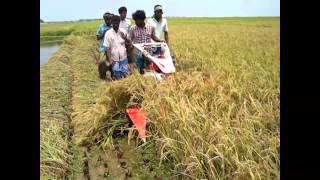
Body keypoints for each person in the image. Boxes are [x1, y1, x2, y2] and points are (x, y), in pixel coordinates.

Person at [128, 10, 165, 74]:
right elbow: (130, 40)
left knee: (148, 70)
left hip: (148, 54)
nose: (136, 22)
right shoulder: (132, 28)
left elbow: (154, 37)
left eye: (137, 20)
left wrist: (160, 41)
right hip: (137, 54)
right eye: (135, 20)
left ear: (142, 19)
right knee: (138, 71)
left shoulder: (150, 27)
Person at [103, 15, 130, 80]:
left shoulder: (123, 31)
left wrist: (125, 38)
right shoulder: (108, 33)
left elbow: (129, 43)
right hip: (114, 60)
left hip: (124, 59)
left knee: (125, 76)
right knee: (117, 77)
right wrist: (110, 61)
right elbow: (107, 48)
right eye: (114, 22)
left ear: (119, 22)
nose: (116, 24)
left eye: (117, 22)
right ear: (111, 22)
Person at [96, 12, 113, 79]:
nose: (108, 21)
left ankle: (113, 76)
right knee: (102, 63)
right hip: (103, 48)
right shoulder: (101, 27)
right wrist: (103, 33)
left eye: (109, 20)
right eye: (107, 20)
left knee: (112, 63)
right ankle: (103, 76)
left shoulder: (113, 26)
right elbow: (98, 37)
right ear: (104, 20)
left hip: (111, 49)